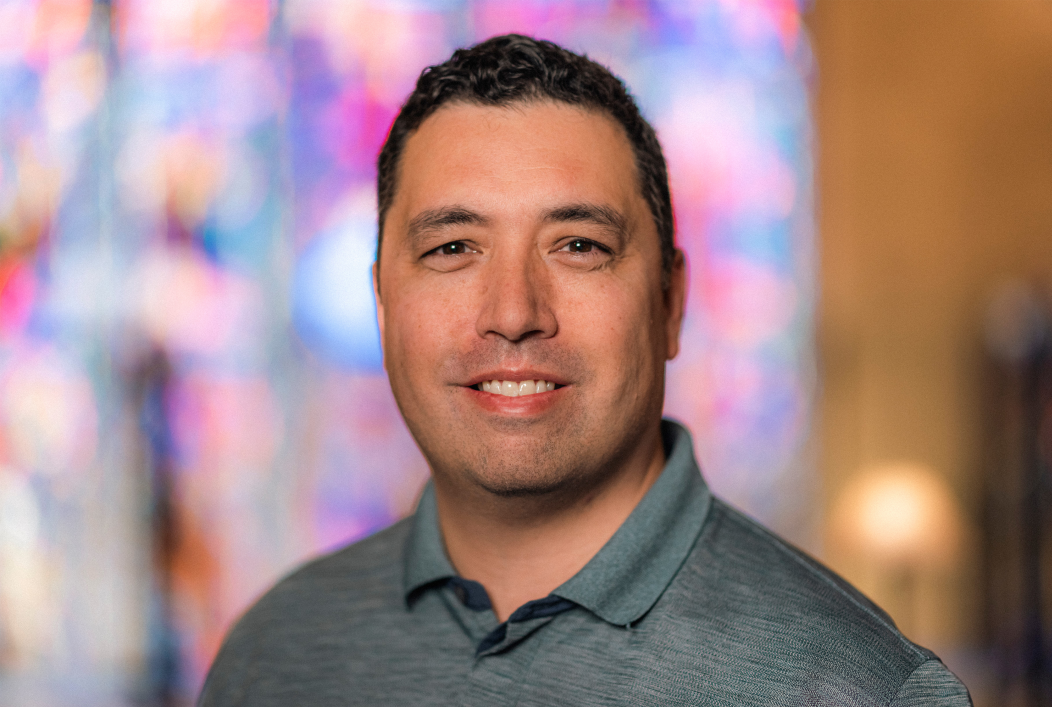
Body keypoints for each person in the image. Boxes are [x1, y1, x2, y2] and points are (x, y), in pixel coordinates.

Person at [200, 34, 971, 706]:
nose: (512, 311)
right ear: (381, 300)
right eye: (452, 248)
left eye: (578, 245)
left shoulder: (860, 689)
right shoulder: (271, 658)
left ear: (670, 302)